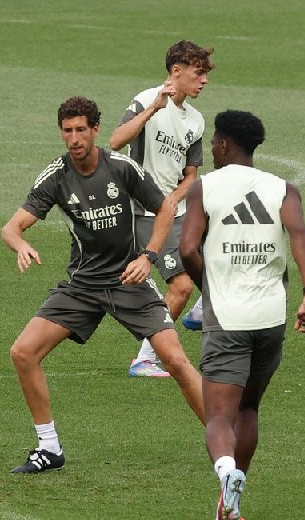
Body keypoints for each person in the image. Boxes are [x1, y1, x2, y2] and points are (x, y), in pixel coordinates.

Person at [2, 96, 205, 473]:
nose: (75, 138)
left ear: (95, 130)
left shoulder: (120, 167)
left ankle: (222, 440)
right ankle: (49, 448)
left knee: (175, 359)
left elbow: (163, 208)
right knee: (23, 352)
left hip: (129, 279)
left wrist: (149, 257)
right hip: (83, 285)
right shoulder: (56, 176)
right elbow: (11, 226)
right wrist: (21, 244)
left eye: (81, 129)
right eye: (68, 131)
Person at [180, 110, 305, 520]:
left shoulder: (206, 187)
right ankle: (234, 495)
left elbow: (186, 249)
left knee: (219, 418)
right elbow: (300, 234)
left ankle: (225, 473)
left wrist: (209, 289)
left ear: (221, 144)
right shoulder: (283, 189)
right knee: (250, 407)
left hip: (228, 318)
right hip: (270, 318)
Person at [110, 40, 215, 377]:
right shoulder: (146, 99)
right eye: (198, 74)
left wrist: (177, 195)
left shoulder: (196, 121)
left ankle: (202, 312)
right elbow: (115, 141)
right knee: (182, 286)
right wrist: (154, 108)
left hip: (177, 210)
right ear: (176, 71)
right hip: (146, 213)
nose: (204, 81)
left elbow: (191, 175)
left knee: (224, 249)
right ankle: (145, 358)